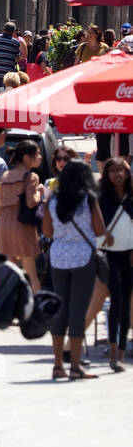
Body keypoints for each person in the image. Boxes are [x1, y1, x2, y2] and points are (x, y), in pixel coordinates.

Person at [44, 160, 105, 380]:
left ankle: (57, 365)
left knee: (60, 310)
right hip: (83, 258)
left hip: (58, 257)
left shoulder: (53, 199)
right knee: (78, 311)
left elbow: (47, 231)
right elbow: (99, 229)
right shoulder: (88, 199)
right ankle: (75, 366)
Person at [98, 158, 133, 372]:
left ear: (127, 174)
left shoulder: (132, 197)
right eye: (112, 170)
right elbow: (94, 222)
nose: (117, 174)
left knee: (126, 301)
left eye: (121, 170)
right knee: (116, 301)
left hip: (129, 255)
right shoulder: (102, 198)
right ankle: (113, 351)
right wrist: (104, 231)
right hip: (108, 254)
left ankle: (120, 351)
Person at [0, 141, 45, 291]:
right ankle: (37, 307)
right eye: (37, 154)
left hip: (5, 225)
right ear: (26, 157)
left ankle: (9, 307)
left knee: (11, 272)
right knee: (32, 273)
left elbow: (0, 201)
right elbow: (32, 202)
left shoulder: (5, 176)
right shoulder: (31, 177)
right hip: (22, 225)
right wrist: (40, 191)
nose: (40, 157)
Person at [0, 21, 23, 97]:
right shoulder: (15, 42)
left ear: (4, 29)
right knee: (4, 97)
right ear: (13, 32)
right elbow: (16, 58)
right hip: (7, 75)